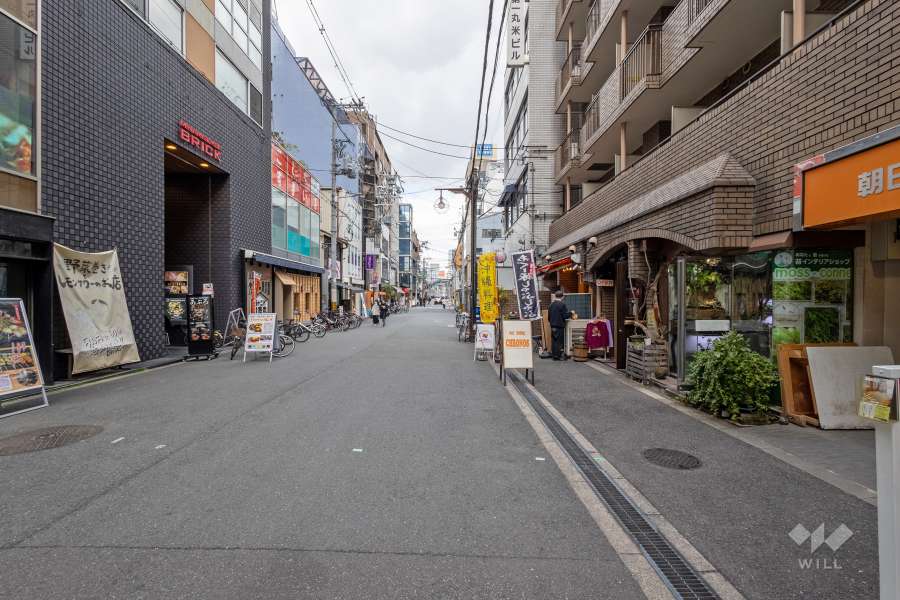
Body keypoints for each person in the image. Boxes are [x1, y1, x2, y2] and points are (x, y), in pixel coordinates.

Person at [548, 290, 574, 361]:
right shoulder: (562, 305)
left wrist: (552, 323)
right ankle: (559, 356)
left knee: (554, 341)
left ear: (555, 296)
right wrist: (571, 313)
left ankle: (554, 356)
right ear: (562, 297)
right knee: (559, 341)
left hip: (553, 326)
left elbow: (549, 317)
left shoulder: (551, 305)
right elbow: (565, 316)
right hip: (559, 326)